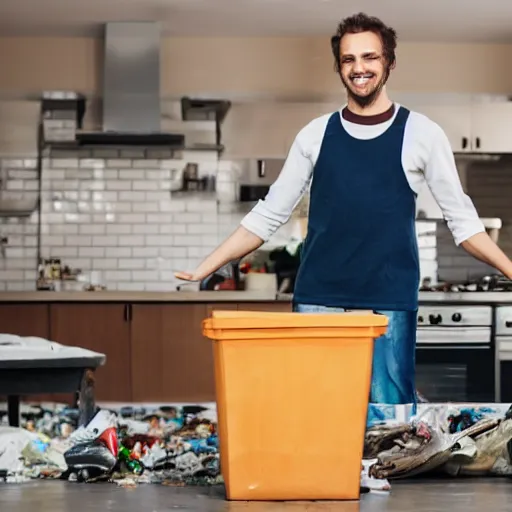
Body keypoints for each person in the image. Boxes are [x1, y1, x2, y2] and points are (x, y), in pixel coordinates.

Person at [175, 13, 512, 409]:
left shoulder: (423, 133)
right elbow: (269, 215)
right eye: (349, 59)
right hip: (319, 300)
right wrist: (206, 267)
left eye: (370, 57)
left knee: (392, 420)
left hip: (388, 301)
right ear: (339, 66)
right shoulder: (315, 135)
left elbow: (464, 222)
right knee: (317, 412)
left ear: (389, 63)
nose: (359, 68)